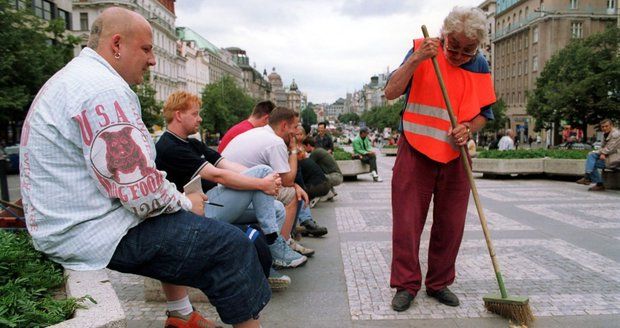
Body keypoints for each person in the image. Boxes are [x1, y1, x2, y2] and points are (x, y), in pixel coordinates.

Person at [18, 8, 269, 328]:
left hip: (66, 222)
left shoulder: (79, 77)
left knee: (177, 220)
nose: (152, 60)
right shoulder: (104, 92)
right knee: (232, 247)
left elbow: (133, 181)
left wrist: (175, 202)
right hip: (86, 232)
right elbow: (140, 195)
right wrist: (185, 202)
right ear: (117, 45)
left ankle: (180, 316)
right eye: (147, 49)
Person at [383, 6, 496, 311]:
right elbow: (391, 91)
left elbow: (484, 114)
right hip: (416, 149)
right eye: (453, 47)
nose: (459, 55)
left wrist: (468, 129)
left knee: (451, 224)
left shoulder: (480, 64)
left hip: (455, 155)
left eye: (467, 50)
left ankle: (438, 283)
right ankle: (405, 285)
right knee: (407, 221)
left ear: (478, 47)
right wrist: (417, 60)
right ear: (443, 36)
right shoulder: (422, 49)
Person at [155, 91, 307, 272]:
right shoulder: (170, 146)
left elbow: (226, 164)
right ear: (179, 115)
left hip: (212, 202)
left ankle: (268, 263)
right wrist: (261, 182)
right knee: (263, 172)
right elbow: (217, 175)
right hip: (195, 212)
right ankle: (274, 243)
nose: (200, 119)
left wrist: (267, 180)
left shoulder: (192, 143)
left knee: (278, 209)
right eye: (195, 114)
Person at [222, 107, 325, 251]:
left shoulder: (259, 132)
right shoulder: (275, 142)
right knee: (291, 194)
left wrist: (294, 184)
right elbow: (287, 181)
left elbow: (281, 178)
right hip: (235, 193)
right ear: (284, 125)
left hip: (227, 188)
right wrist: (294, 150)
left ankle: (286, 239)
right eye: (295, 127)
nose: (296, 132)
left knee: (289, 189)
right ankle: (283, 246)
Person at [576, 119, 620, 191]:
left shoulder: (616, 134)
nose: (604, 128)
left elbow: (610, 148)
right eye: (603, 127)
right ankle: (589, 178)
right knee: (591, 157)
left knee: (591, 159)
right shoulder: (605, 134)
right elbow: (602, 147)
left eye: (606, 126)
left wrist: (603, 153)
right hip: (609, 157)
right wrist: (601, 152)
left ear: (611, 126)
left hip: (616, 159)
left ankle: (592, 180)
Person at [302, 137, 343, 201]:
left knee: (317, 179)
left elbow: (308, 166)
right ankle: (331, 192)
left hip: (335, 177)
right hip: (337, 176)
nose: (304, 149)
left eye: (304, 147)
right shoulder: (319, 150)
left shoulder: (315, 153)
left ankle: (327, 193)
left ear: (308, 145)